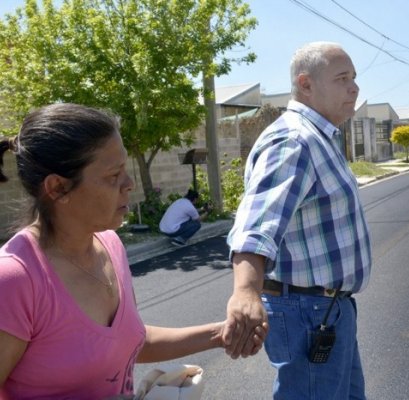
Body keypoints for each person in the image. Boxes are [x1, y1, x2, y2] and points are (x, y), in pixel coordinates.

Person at [0, 103, 266, 399]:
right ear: (58, 187)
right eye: (113, 176)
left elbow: (127, 340)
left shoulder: (111, 245)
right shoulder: (14, 279)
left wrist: (220, 334)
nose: (129, 184)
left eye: (125, 170)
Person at [224, 42, 372, 399]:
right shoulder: (294, 141)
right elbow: (256, 225)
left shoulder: (320, 138)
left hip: (329, 308)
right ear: (305, 84)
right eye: (342, 79)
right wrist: (245, 291)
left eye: (353, 78)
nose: (354, 88)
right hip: (308, 313)